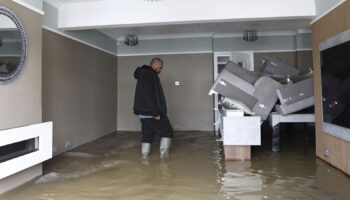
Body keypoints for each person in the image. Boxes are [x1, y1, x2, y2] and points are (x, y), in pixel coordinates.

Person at [133, 57, 173, 159]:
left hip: (143, 113)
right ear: (155, 64)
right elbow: (148, 95)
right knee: (167, 131)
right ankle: (165, 160)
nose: (161, 69)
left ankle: (145, 159)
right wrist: (155, 113)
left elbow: (146, 95)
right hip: (151, 112)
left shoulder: (144, 74)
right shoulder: (149, 75)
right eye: (160, 67)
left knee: (147, 136)